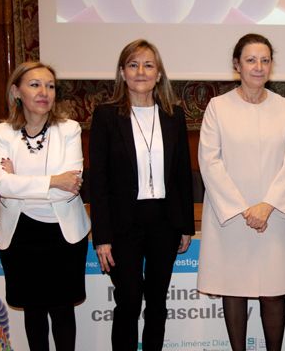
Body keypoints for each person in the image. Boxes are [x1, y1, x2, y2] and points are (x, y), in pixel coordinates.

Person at [197, 33, 285, 351]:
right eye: (251, 60)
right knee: (235, 290)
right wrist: (244, 209)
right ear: (237, 65)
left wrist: (267, 205)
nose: (259, 67)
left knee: (273, 291)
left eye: (265, 60)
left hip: (272, 217)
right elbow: (209, 161)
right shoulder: (218, 107)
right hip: (231, 218)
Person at [89, 39, 194, 350]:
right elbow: (100, 180)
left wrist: (186, 225)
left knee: (158, 303)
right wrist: (102, 236)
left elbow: (182, 175)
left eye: (148, 65)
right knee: (129, 300)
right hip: (123, 225)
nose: (141, 71)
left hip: (165, 221)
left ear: (159, 74)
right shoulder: (106, 116)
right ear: (122, 72)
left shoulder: (173, 115)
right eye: (133, 65)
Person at [0, 61, 90, 351]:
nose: (44, 92)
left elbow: (70, 187)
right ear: (16, 91)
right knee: (33, 312)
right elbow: (2, 186)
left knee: (62, 311)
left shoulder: (69, 129)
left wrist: (19, 178)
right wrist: (52, 180)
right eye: (35, 85)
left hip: (63, 234)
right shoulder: (2, 133)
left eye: (50, 86)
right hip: (20, 235)